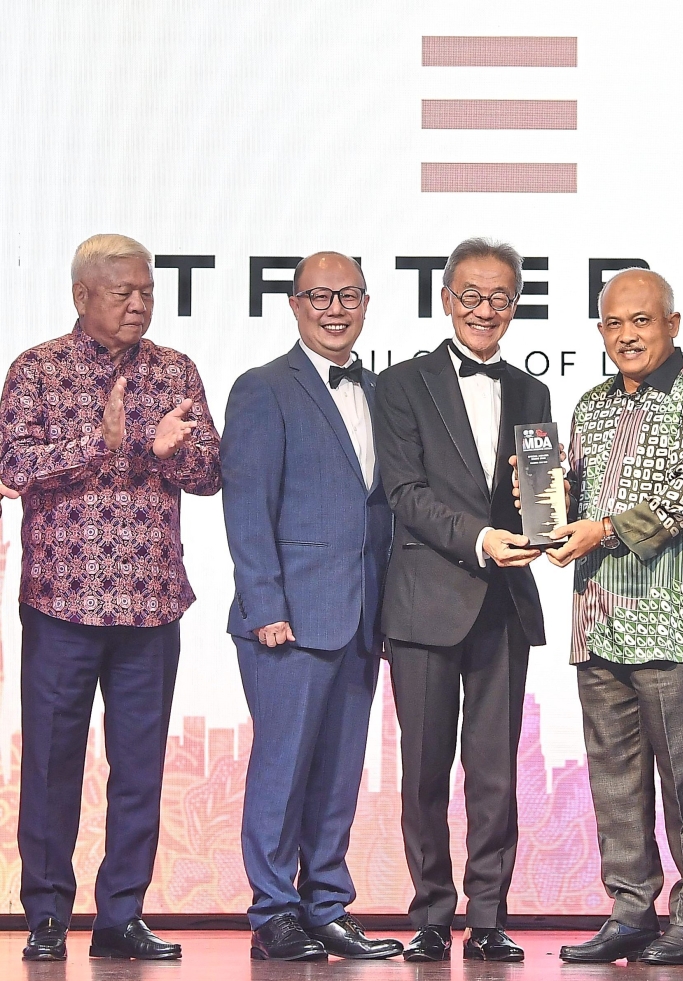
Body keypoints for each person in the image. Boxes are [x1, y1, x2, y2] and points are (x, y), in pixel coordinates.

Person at [0, 234, 221, 961]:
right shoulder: (37, 370)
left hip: (152, 605)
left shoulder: (174, 369)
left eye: (147, 291)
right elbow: (13, 463)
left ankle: (122, 913)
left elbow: (211, 470)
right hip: (62, 603)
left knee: (140, 768)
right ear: (81, 295)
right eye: (123, 291)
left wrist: (167, 450)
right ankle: (46, 915)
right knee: (53, 764)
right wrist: (106, 441)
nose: (138, 303)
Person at [545, 268, 683, 966]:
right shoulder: (590, 405)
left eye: (642, 321)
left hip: (672, 619)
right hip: (599, 619)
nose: (627, 334)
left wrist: (598, 529)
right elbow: (573, 495)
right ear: (600, 331)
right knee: (615, 777)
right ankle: (630, 908)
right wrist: (544, 505)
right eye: (614, 323)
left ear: (673, 324)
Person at [373, 238, 550, 963]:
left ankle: (487, 916)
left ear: (515, 305)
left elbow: (537, 491)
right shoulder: (402, 385)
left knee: (495, 770)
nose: (486, 310)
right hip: (423, 600)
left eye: (501, 297)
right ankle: (429, 915)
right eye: (472, 295)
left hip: (503, 599)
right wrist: (480, 537)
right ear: (446, 298)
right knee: (423, 769)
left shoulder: (532, 390)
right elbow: (404, 493)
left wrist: (541, 522)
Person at [220, 252, 401, 961]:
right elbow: (246, 506)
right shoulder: (263, 388)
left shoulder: (383, 392)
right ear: (294, 304)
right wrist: (266, 603)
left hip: (361, 616)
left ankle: (327, 905)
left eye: (348, 295)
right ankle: (273, 911)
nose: (335, 308)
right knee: (282, 769)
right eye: (319, 296)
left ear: (365, 302)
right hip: (287, 620)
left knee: (337, 774)